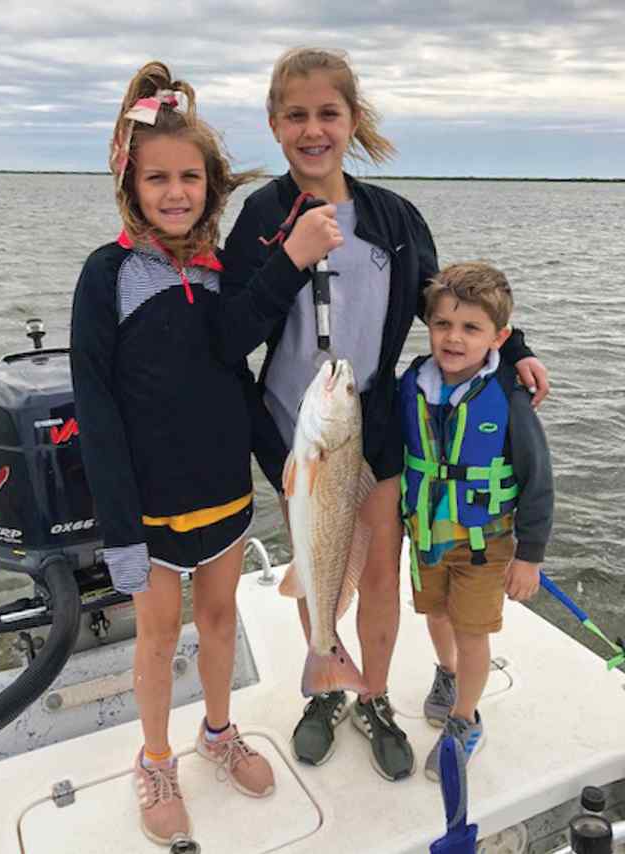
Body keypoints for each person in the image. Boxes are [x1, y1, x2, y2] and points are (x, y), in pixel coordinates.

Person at [219, 46, 550, 782]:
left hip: (371, 420)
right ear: (275, 125)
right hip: (294, 424)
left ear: (352, 120)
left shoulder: (393, 218)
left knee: (375, 571)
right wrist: (290, 259)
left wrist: (515, 344)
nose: (313, 130)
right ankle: (322, 677)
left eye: (328, 114)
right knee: (318, 563)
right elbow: (229, 333)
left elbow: (447, 300)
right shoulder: (263, 216)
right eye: (296, 116)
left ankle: (370, 692)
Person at [70, 61, 341, 846]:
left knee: (219, 620)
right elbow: (95, 407)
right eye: (159, 178)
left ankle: (217, 734)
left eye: (191, 176)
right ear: (131, 183)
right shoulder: (108, 275)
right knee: (158, 637)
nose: (176, 192)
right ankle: (154, 758)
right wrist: (119, 528)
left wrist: (288, 477)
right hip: (148, 513)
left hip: (224, 499)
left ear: (213, 187)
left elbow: (238, 375)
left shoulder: (225, 273)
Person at [399, 262, 554, 779]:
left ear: (500, 337)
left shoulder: (510, 398)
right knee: (436, 616)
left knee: (471, 631)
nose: (454, 338)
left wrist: (529, 557)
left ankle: (465, 717)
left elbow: (538, 482)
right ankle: (446, 675)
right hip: (425, 537)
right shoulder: (410, 385)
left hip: (485, 546)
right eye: (443, 324)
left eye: (471, 328)